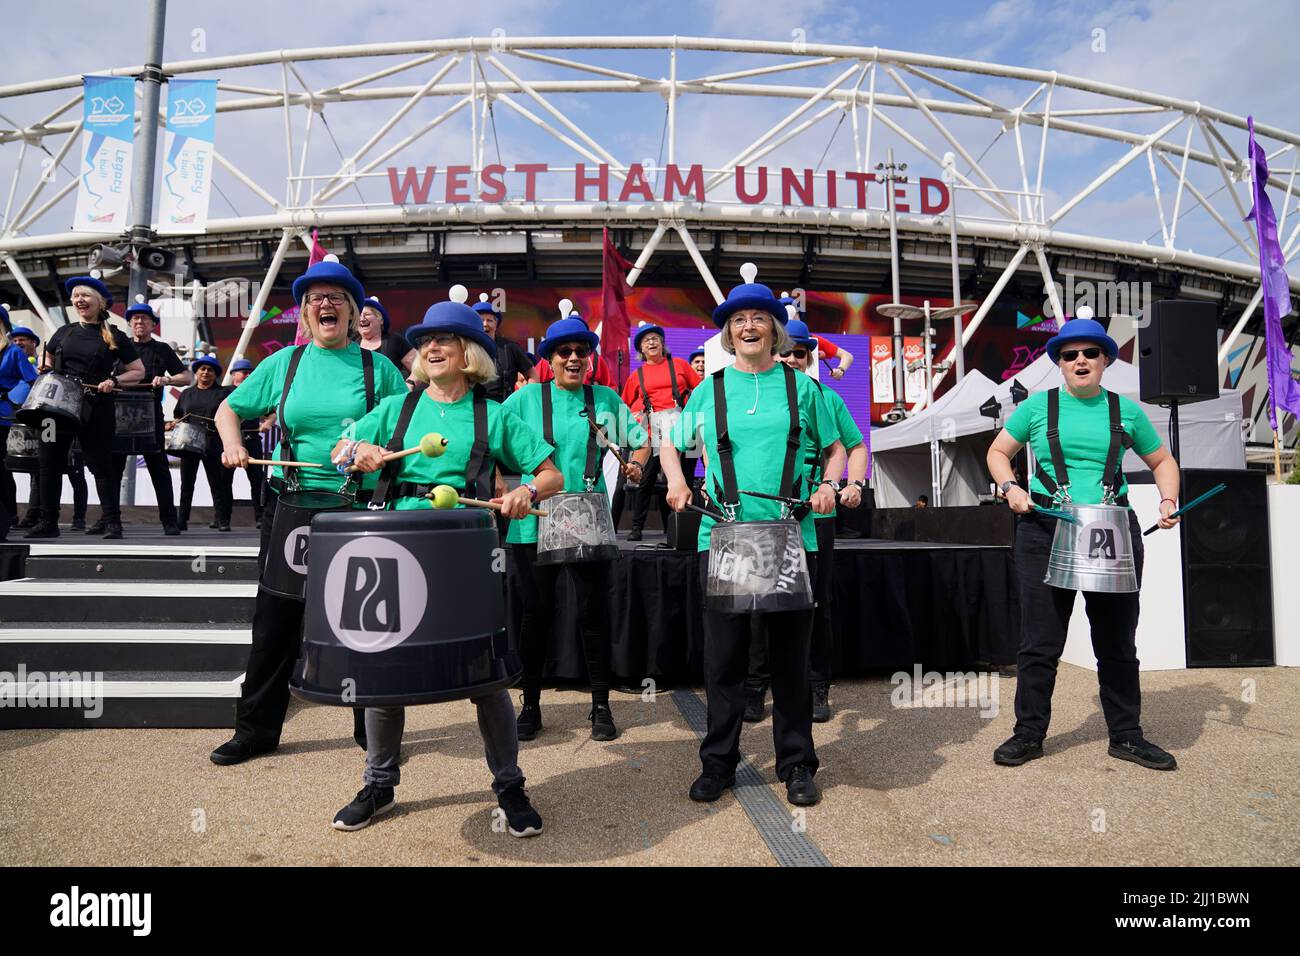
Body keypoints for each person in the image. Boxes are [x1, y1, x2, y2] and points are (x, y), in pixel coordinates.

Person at [329, 284, 563, 835]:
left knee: (485, 678)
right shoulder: (396, 409)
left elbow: (552, 473)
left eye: (447, 340)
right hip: (395, 549)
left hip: (466, 551)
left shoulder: (494, 415)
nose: (433, 348)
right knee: (384, 673)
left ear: (469, 354)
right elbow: (337, 453)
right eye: (426, 340)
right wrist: (354, 452)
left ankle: (509, 784)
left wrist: (528, 492)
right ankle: (380, 783)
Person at [209, 259, 408, 767]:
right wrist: (233, 446)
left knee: (365, 624)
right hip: (292, 506)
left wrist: (377, 448)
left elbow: (407, 425)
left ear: (354, 311)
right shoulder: (284, 364)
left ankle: (374, 733)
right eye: (316, 298)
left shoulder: (377, 368)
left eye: (337, 298)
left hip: (357, 509)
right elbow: (227, 410)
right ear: (303, 312)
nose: (327, 305)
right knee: (275, 623)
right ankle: (255, 731)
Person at [661, 265, 845, 808]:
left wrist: (831, 484)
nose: (748, 326)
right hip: (723, 537)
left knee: (790, 660)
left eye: (757, 318)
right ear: (727, 332)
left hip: (793, 535)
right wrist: (674, 479)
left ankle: (796, 765)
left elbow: (836, 449)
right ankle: (718, 763)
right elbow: (671, 442)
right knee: (724, 661)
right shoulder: (708, 390)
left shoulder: (804, 388)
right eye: (738, 319)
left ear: (774, 328)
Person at [986, 315, 1181, 772]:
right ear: (1058, 362)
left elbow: (1162, 459)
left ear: (1105, 360)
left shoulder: (1126, 410)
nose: (1079, 360)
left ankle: (1127, 736)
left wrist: (1168, 499)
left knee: (1116, 641)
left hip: (1112, 531)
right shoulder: (1036, 407)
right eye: (1069, 354)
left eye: (1090, 353)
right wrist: (1011, 487)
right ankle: (1028, 734)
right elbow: (998, 453)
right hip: (1044, 528)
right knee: (1040, 642)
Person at [503, 310, 650, 743]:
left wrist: (636, 467)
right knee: (536, 615)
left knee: (592, 613)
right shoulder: (523, 400)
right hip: (535, 521)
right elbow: (491, 444)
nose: (573, 358)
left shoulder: (605, 400)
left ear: (589, 358)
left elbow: (640, 445)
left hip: (587, 519)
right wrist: (504, 486)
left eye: (581, 352)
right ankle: (530, 705)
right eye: (564, 351)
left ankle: (600, 705)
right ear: (548, 358)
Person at [768, 316, 867, 724]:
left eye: (801, 353)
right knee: (759, 599)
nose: (792, 358)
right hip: (766, 516)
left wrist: (853, 483)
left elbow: (854, 446)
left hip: (816, 514)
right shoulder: (760, 396)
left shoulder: (826, 398)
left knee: (816, 602)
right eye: (786, 351)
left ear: (810, 358)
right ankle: (758, 687)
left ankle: (817, 684)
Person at [25, 277, 145, 539]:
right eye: (76, 296)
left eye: (85, 295)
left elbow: (138, 371)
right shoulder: (63, 332)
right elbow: (49, 356)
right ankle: (48, 522)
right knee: (48, 463)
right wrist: (44, 366)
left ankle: (112, 522)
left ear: (100, 302)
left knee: (100, 464)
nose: (79, 300)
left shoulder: (115, 335)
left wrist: (113, 381)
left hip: (96, 406)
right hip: (54, 410)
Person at [112, 302, 189, 536]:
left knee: (159, 469)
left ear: (153, 324)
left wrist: (167, 380)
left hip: (150, 413)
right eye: (134, 319)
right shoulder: (117, 347)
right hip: (119, 414)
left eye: (144, 319)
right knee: (114, 468)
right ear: (129, 324)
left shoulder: (162, 349)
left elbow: (186, 377)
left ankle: (169, 521)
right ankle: (110, 520)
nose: (139, 323)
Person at [620, 322, 700, 540]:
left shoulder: (681, 365)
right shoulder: (637, 375)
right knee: (646, 481)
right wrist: (634, 421)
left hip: (683, 428)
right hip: (654, 432)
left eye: (655, 338)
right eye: (647, 340)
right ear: (641, 350)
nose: (652, 342)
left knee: (684, 479)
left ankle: (677, 529)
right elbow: (624, 406)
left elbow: (701, 392)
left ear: (663, 344)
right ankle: (637, 528)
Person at [172, 355, 234, 532]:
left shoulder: (223, 393)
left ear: (215, 374)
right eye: (202, 369)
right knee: (186, 483)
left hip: (213, 442)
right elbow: (179, 415)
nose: (205, 372)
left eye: (210, 370)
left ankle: (222, 520)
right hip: (189, 442)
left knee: (218, 483)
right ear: (197, 372)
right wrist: (174, 423)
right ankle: (181, 520)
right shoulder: (186, 393)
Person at [0, 312, 39, 540]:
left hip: (2, 414)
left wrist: (14, 398)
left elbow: (32, 380)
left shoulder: (13, 352)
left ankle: (6, 518)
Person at [472, 292, 536, 403]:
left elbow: (532, 375)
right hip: (473, 410)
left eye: (490, 320)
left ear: (496, 325)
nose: (485, 324)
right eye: (481, 320)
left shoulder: (510, 348)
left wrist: (524, 400)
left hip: (504, 409)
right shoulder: (465, 348)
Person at [228, 358, 266, 528]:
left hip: (252, 441)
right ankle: (223, 518)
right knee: (223, 481)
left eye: (250, 372)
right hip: (230, 443)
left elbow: (272, 411)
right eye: (244, 372)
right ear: (233, 374)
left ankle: (260, 516)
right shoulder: (224, 392)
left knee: (257, 479)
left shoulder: (256, 393)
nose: (248, 375)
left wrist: (269, 422)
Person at [357, 296, 415, 374]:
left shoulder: (394, 340)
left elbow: (420, 369)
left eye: (367, 314)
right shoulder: (351, 345)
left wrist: (410, 383)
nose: (362, 319)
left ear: (380, 320)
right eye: (359, 315)